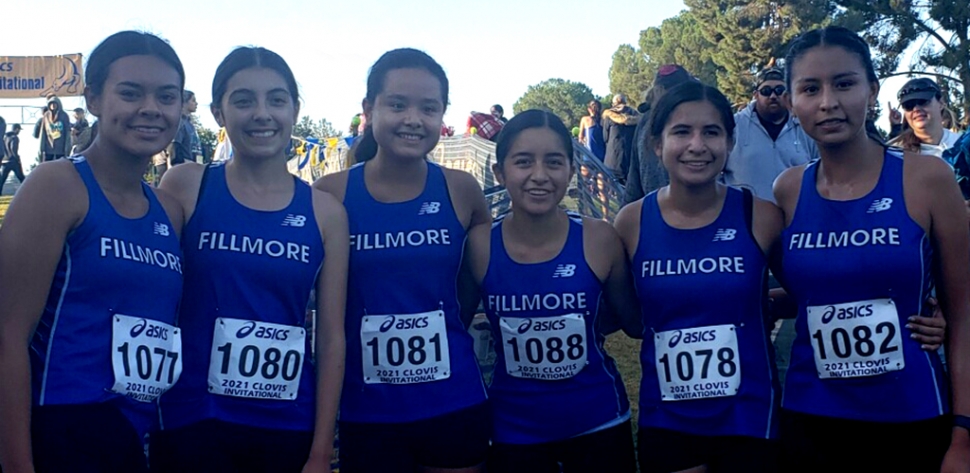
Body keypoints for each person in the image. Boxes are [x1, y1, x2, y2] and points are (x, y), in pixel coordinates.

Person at [774, 26, 970, 471]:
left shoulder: (928, 180)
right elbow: (812, 293)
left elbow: (964, 313)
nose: (828, 102)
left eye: (844, 84)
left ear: (872, 90)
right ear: (790, 102)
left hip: (913, 418)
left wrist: (963, 434)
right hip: (811, 420)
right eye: (810, 88)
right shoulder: (786, 191)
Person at [154, 47, 347, 473]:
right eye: (243, 101)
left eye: (277, 100)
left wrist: (320, 450)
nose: (262, 114)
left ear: (295, 110)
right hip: (191, 415)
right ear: (217, 112)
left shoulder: (325, 212)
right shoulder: (186, 186)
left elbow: (332, 337)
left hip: (286, 422)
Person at [0, 30, 187, 473]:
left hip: (135, 433)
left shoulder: (170, 210)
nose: (150, 109)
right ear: (94, 100)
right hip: (60, 428)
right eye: (130, 93)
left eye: (167, 96)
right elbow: (7, 336)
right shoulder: (55, 186)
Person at [314, 48, 491, 473]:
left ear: (442, 115)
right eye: (397, 104)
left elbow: (472, 286)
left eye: (428, 108)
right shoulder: (329, 194)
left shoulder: (462, 190)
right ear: (369, 109)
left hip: (454, 401)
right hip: (367, 410)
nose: (413, 119)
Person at [466, 109, 637, 472]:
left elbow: (633, 321)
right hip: (514, 428)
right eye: (523, 162)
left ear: (571, 172)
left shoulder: (600, 238)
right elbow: (456, 327)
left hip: (599, 420)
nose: (539, 176)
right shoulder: (479, 245)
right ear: (500, 173)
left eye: (554, 162)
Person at [722, 66, 819, 203]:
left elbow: (822, 173)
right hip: (744, 216)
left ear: (788, 95)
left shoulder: (806, 127)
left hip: (796, 215)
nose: (773, 96)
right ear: (756, 95)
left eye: (779, 90)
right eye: (766, 91)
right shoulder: (734, 126)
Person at [624, 64, 696, 204]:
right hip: (657, 212)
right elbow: (634, 181)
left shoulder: (697, 119)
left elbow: (633, 184)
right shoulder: (645, 123)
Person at [888, 78, 963, 157]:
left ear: (941, 103)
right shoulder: (895, 154)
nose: (916, 109)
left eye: (922, 101)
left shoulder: (962, 144)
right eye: (908, 105)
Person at [602, 94, 639, 183]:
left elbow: (605, 137)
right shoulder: (636, 115)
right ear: (625, 102)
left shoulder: (609, 115)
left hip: (613, 157)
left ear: (614, 103)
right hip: (630, 157)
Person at [33, 95, 72, 162]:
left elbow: (67, 133)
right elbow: (43, 132)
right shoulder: (46, 116)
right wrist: (41, 149)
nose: (53, 105)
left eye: (55, 103)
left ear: (58, 104)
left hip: (61, 149)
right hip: (48, 148)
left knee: (60, 167)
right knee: (48, 168)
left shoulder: (64, 116)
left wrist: (67, 149)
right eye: (51, 104)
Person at [173, 90, 203, 164]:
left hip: (194, 164)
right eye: (193, 100)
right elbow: (175, 144)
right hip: (184, 165)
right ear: (184, 103)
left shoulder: (190, 124)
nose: (196, 103)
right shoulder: (180, 123)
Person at [1, 124, 25, 196]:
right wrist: (17, 158)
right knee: (22, 178)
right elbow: (13, 149)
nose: (19, 132)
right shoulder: (15, 138)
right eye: (19, 130)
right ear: (16, 129)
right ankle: (29, 191)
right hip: (13, 161)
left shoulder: (5, 137)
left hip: (4, 161)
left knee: (2, 180)